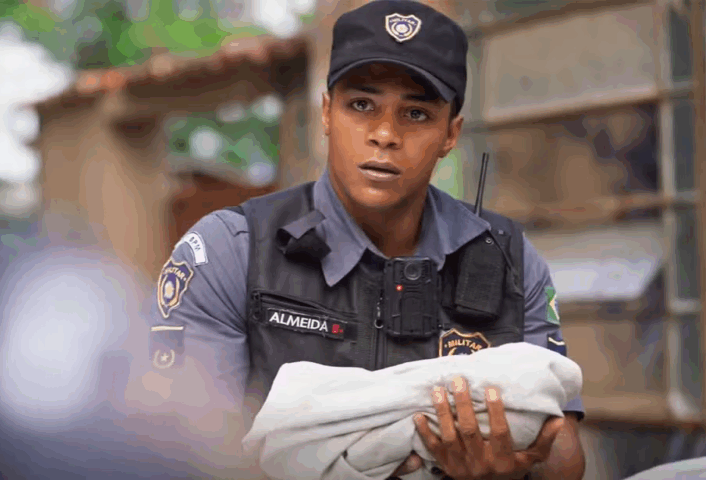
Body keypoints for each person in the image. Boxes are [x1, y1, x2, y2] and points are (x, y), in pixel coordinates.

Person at [126, 1, 586, 479]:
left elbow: (565, 456)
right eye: (361, 105)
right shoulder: (230, 250)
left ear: (451, 134)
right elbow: (183, 456)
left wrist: (505, 472)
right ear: (327, 112)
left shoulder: (510, 259)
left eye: (416, 113)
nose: (385, 134)